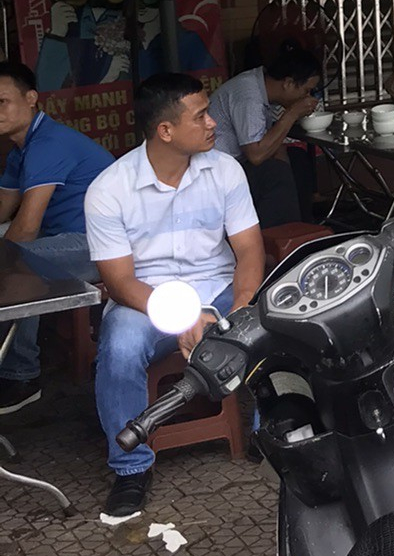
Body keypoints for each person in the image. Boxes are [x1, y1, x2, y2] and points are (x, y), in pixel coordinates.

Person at [85, 73, 264, 526]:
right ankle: (131, 469)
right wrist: (184, 315)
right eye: (200, 116)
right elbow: (120, 283)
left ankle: (272, 433)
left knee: (271, 319)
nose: (212, 123)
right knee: (120, 347)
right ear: (165, 130)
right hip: (146, 302)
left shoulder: (225, 170)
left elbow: (248, 250)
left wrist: (241, 308)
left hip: (219, 290)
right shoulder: (109, 189)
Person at [0, 59, 113, 414]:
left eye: (2, 102)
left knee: (19, 264)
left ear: (31, 98)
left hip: (101, 245)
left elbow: (26, 228)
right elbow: (3, 212)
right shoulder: (21, 150)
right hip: (65, 236)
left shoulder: (49, 143)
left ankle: (21, 375)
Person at [209, 42, 322, 226]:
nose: (308, 97)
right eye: (306, 90)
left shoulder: (259, 85)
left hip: (236, 164)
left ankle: (301, 227)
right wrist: (292, 113)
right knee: (275, 174)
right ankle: (277, 233)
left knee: (296, 159)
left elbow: (271, 145)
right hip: (215, 174)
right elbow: (256, 155)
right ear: (288, 83)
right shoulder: (249, 95)